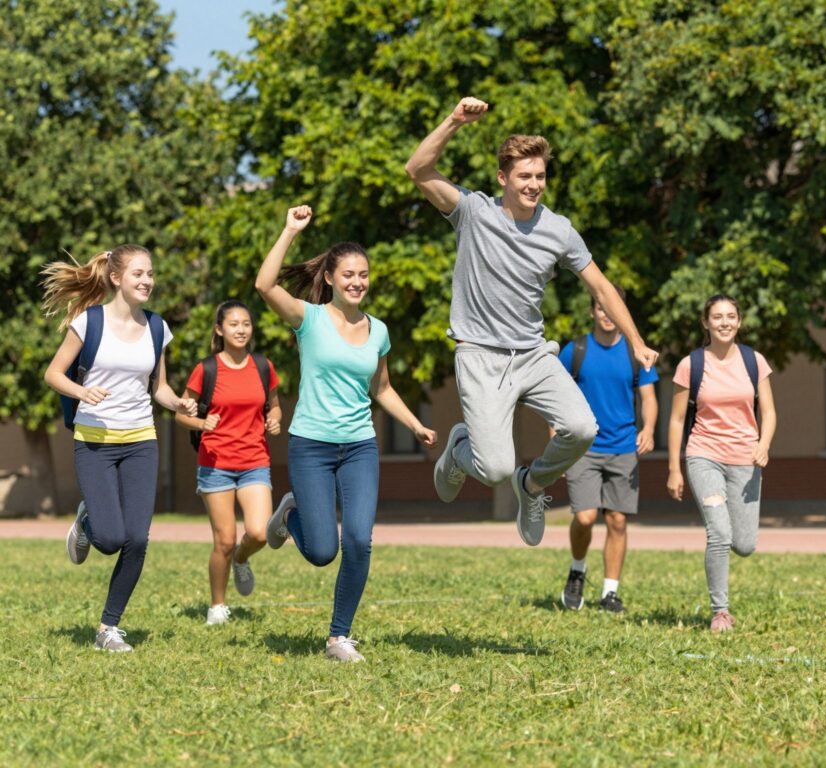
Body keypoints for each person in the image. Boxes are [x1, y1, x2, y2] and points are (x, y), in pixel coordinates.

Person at [405, 96, 659, 546]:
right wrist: (454, 121)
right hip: (481, 357)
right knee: (495, 468)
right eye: (525, 176)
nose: (534, 184)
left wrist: (636, 342)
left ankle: (533, 484)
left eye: (540, 176)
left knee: (583, 428)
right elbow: (418, 169)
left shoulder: (558, 230)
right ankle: (460, 452)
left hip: (532, 353)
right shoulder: (472, 211)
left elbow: (601, 287)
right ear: (503, 177)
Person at [256, 205, 437, 663]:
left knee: (358, 540)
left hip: (359, 446)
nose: (358, 281)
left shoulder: (378, 331)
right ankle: (289, 516)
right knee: (321, 551)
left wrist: (414, 425)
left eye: (364, 274)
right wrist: (289, 231)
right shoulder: (309, 319)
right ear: (332, 279)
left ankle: (339, 636)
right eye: (349, 274)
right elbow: (264, 286)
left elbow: (382, 388)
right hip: (311, 445)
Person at [42, 245, 197, 652]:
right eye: (138, 274)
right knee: (109, 539)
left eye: (150, 273)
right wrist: (82, 391)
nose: (147, 280)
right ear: (116, 278)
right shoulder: (87, 322)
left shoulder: (158, 328)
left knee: (138, 539)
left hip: (141, 440)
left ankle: (108, 628)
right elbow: (53, 373)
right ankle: (89, 521)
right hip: (94, 442)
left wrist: (178, 402)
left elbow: (158, 387)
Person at [667, 295, 776, 632]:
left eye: (731, 316)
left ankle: (722, 605)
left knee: (744, 544)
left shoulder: (753, 361)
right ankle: (720, 612)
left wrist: (764, 445)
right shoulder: (691, 364)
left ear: (739, 322)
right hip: (704, 455)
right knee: (719, 533)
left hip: (745, 459)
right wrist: (674, 468)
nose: (725, 322)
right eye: (717, 317)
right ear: (706, 323)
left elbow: (769, 412)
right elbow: (675, 420)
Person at [175, 301, 283, 625]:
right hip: (215, 462)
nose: (241, 330)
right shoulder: (206, 369)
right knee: (223, 539)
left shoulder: (263, 366)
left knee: (260, 532)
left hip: (254, 460)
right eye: (234, 324)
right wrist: (201, 424)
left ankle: (241, 558)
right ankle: (217, 606)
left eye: (246, 324)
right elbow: (181, 414)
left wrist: (275, 420)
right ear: (219, 330)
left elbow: (274, 407)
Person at [558, 286, 659, 613]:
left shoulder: (635, 352)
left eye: (612, 308)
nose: (606, 314)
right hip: (582, 448)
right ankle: (577, 569)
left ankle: (610, 593)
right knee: (585, 518)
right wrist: (556, 446)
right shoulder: (575, 351)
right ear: (593, 312)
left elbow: (649, 398)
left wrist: (648, 428)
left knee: (617, 521)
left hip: (622, 448)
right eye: (600, 307)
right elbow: (553, 400)